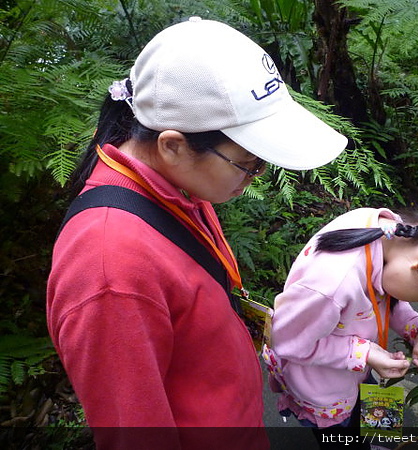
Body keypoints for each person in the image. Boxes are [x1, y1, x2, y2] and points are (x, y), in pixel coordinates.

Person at [46, 17, 347, 450]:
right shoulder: (110, 267)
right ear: (173, 144)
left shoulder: (173, 184)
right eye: (250, 162)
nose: (257, 176)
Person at [263, 207, 418, 448]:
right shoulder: (333, 284)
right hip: (323, 389)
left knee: (372, 426)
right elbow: (286, 342)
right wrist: (364, 353)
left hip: (353, 372)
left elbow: (387, 294)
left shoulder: (389, 232)